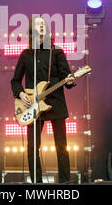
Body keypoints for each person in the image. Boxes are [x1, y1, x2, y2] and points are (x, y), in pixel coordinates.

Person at [11, 16, 76, 183]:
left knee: (61, 146)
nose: (40, 28)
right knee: (32, 148)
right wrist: (21, 94)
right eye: (37, 25)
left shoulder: (57, 52)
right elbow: (15, 81)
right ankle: (37, 183)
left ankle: (65, 182)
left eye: (42, 25)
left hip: (55, 103)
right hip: (32, 104)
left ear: (46, 30)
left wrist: (70, 79)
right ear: (32, 31)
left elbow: (66, 77)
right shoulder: (26, 55)